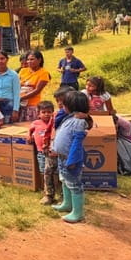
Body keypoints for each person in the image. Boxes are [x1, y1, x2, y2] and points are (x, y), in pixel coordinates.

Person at [52, 91, 92, 223]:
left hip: (70, 160)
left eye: (64, 104)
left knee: (74, 185)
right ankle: (67, 204)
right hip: (62, 157)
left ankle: (78, 213)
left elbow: (76, 143)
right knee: (65, 181)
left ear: (71, 106)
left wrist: (73, 160)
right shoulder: (69, 117)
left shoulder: (79, 122)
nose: (62, 106)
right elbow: (59, 117)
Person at [27, 100, 55, 205]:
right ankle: (45, 190)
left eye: (49, 112)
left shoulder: (54, 123)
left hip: (52, 152)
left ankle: (56, 189)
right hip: (41, 153)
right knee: (43, 171)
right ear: (39, 113)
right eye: (44, 112)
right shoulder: (36, 123)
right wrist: (29, 136)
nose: (47, 114)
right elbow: (29, 130)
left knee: (54, 172)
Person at [18, 50, 50, 121]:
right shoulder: (23, 70)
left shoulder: (44, 73)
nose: (29, 61)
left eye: (32, 59)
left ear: (39, 60)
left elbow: (37, 90)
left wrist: (21, 98)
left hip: (32, 104)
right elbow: (17, 85)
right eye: (28, 59)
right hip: (20, 104)